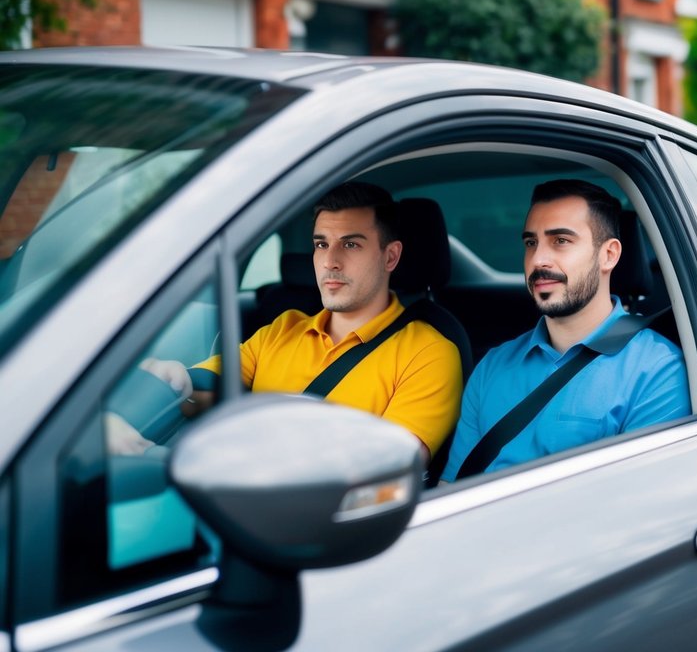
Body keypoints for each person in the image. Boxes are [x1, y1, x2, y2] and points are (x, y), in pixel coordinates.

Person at [127, 181, 463, 463]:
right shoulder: (284, 328)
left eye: (350, 244)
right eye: (321, 244)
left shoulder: (429, 353)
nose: (330, 261)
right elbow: (199, 388)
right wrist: (156, 390)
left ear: (390, 256)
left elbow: (386, 470)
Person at [441, 179, 689, 481]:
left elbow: (636, 508)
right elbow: (452, 490)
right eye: (531, 243)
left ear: (608, 255)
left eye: (561, 241)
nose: (538, 260)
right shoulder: (492, 365)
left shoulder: (657, 371)